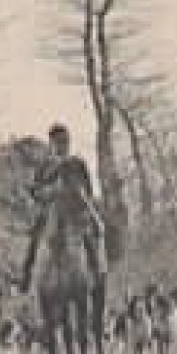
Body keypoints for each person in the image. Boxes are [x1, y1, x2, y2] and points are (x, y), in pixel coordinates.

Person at [20, 123, 106, 293]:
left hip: (77, 209)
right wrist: (49, 191)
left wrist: (84, 200)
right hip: (51, 208)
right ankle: (26, 274)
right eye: (58, 142)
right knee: (35, 237)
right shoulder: (45, 167)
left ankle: (97, 271)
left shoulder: (78, 163)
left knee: (93, 232)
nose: (63, 146)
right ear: (51, 144)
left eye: (65, 141)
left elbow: (88, 189)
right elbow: (35, 191)